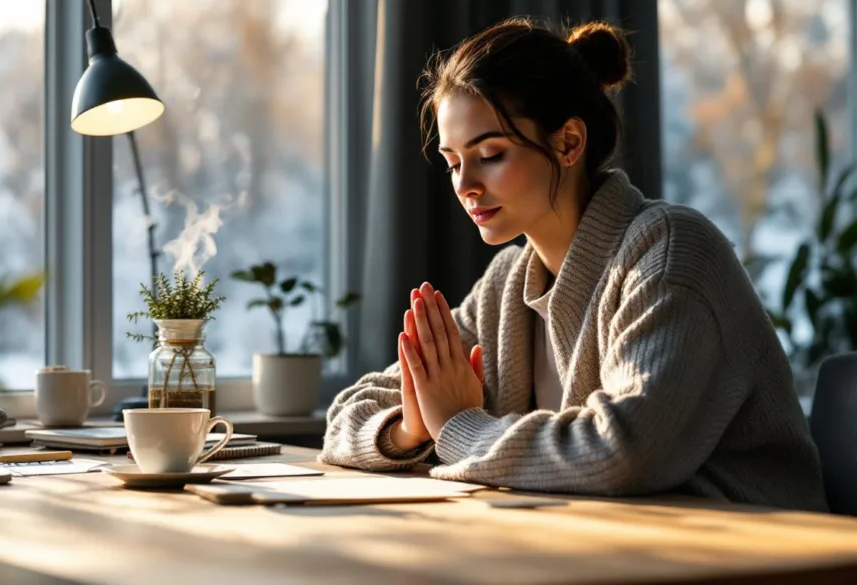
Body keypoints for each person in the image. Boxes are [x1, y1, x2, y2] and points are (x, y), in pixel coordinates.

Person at [318, 17, 828, 512]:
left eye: (490, 154)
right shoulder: (505, 286)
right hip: (605, 550)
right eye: (453, 162)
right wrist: (412, 427)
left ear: (568, 143)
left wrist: (456, 426)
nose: (465, 184)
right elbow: (346, 415)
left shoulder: (671, 252)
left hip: (759, 560)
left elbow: (623, 453)